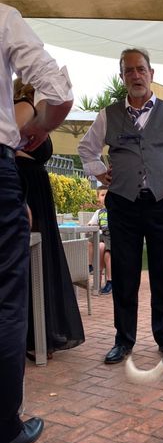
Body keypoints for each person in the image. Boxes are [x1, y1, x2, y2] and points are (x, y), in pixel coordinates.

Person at [78, 48, 163, 364]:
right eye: (129, 70)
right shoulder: (108, 115)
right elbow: (86, 149)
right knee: (124, 274)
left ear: (151, 73)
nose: (136, 75)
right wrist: (100, 173)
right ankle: (124, 340)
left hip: (162, 203)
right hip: (123, 205)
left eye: (140, 69)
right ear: (122, 76)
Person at [0, 2, 73, 443]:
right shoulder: (3, 17)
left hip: (18, 190)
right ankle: (4, 426)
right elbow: (59, 93)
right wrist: (39, 129)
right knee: (7, 298)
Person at [14, 80, 85, 361]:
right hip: (25, 188)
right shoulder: (23, 107)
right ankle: (29, 335)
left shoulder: (38, 113)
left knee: (42, 260)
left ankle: (41, 332)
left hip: (38, 191)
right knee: (30, 261)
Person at [88, 188, 112, 294]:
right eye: (102, 195)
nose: (105, 197)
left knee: (107, 255)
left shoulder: (115, 210)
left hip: (111, 236)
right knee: (90, 242)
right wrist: (91, 224)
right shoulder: (98, 212)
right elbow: (91, 223)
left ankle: (110, 281)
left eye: (107, 195)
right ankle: (90, 266)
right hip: (101, 235)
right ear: (98, 198)